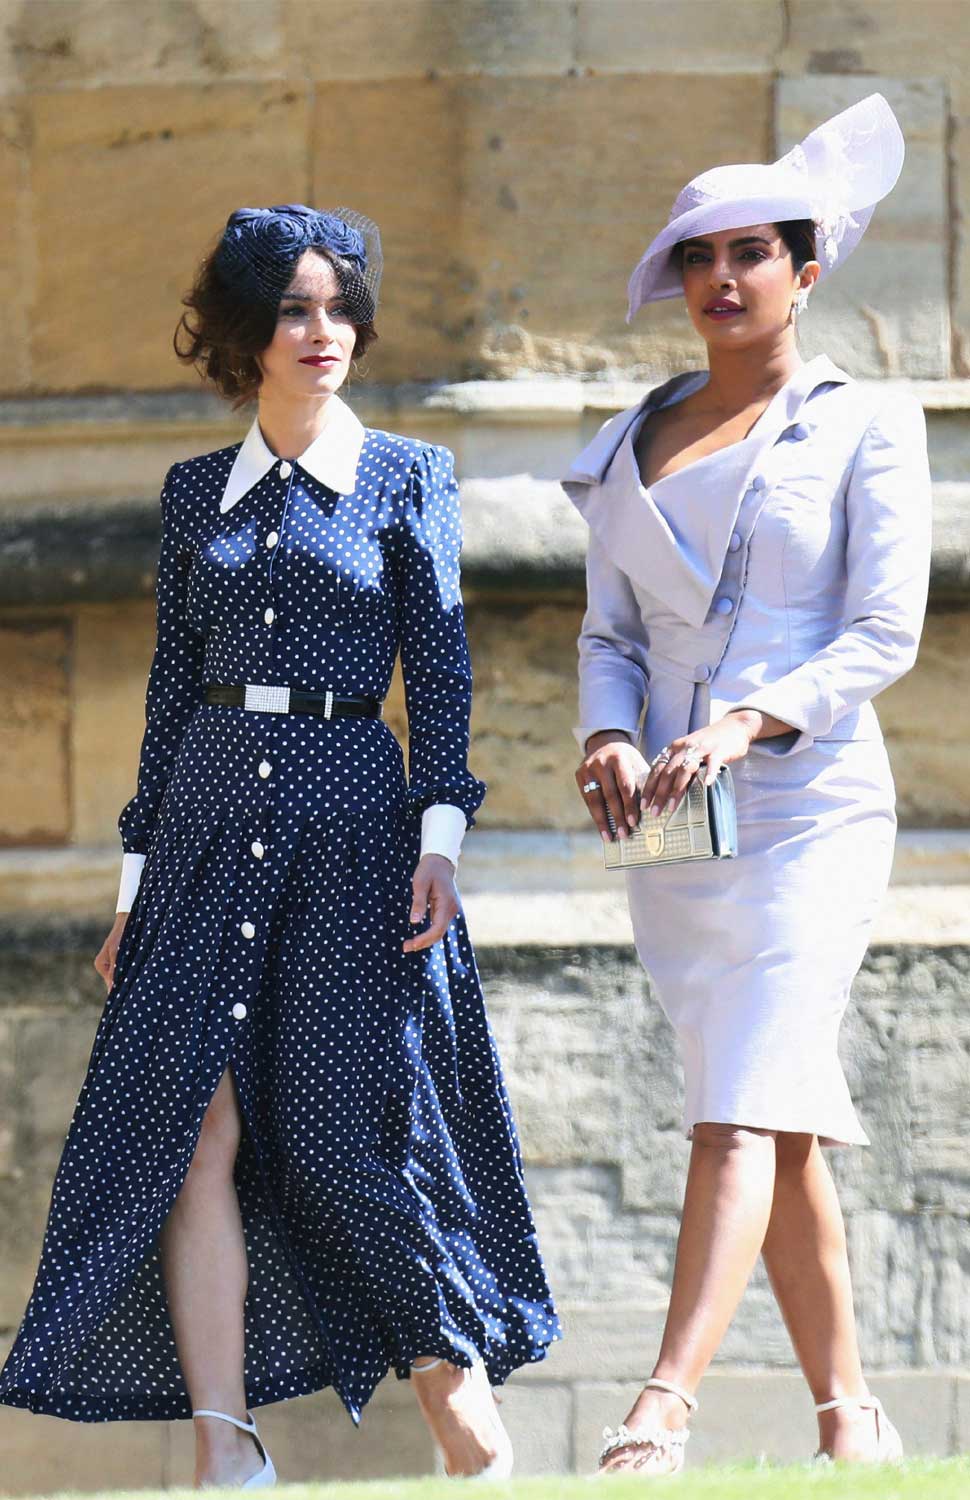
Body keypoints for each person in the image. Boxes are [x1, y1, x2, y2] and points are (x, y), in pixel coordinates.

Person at [0, 204, 559, 1485]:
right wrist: (133, 884)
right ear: (249, 334)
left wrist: (442, 839)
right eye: (297, 310)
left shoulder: (408, 477)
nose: (325, 332)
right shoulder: (195, 491)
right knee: (189, 1127)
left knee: (343, 1123)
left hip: (355, 828)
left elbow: (445, 677)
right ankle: (222, 1442)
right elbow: (162, 699)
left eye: (340, 306)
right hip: (202, 830)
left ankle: (443, 1369)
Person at [563, 95, 930, 1475]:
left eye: (750, 255)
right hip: (666, 817)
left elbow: (881, 636)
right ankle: (852, 1415)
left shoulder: (865, 425)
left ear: (805, 268)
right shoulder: (626, 440)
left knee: (733, 1107)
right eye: (698, 259)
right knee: (766, 1102)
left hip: (810, 806)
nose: (720, 281)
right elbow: (605, 637)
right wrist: (607, 735)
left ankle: (660, 1404)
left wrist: (747, 720)